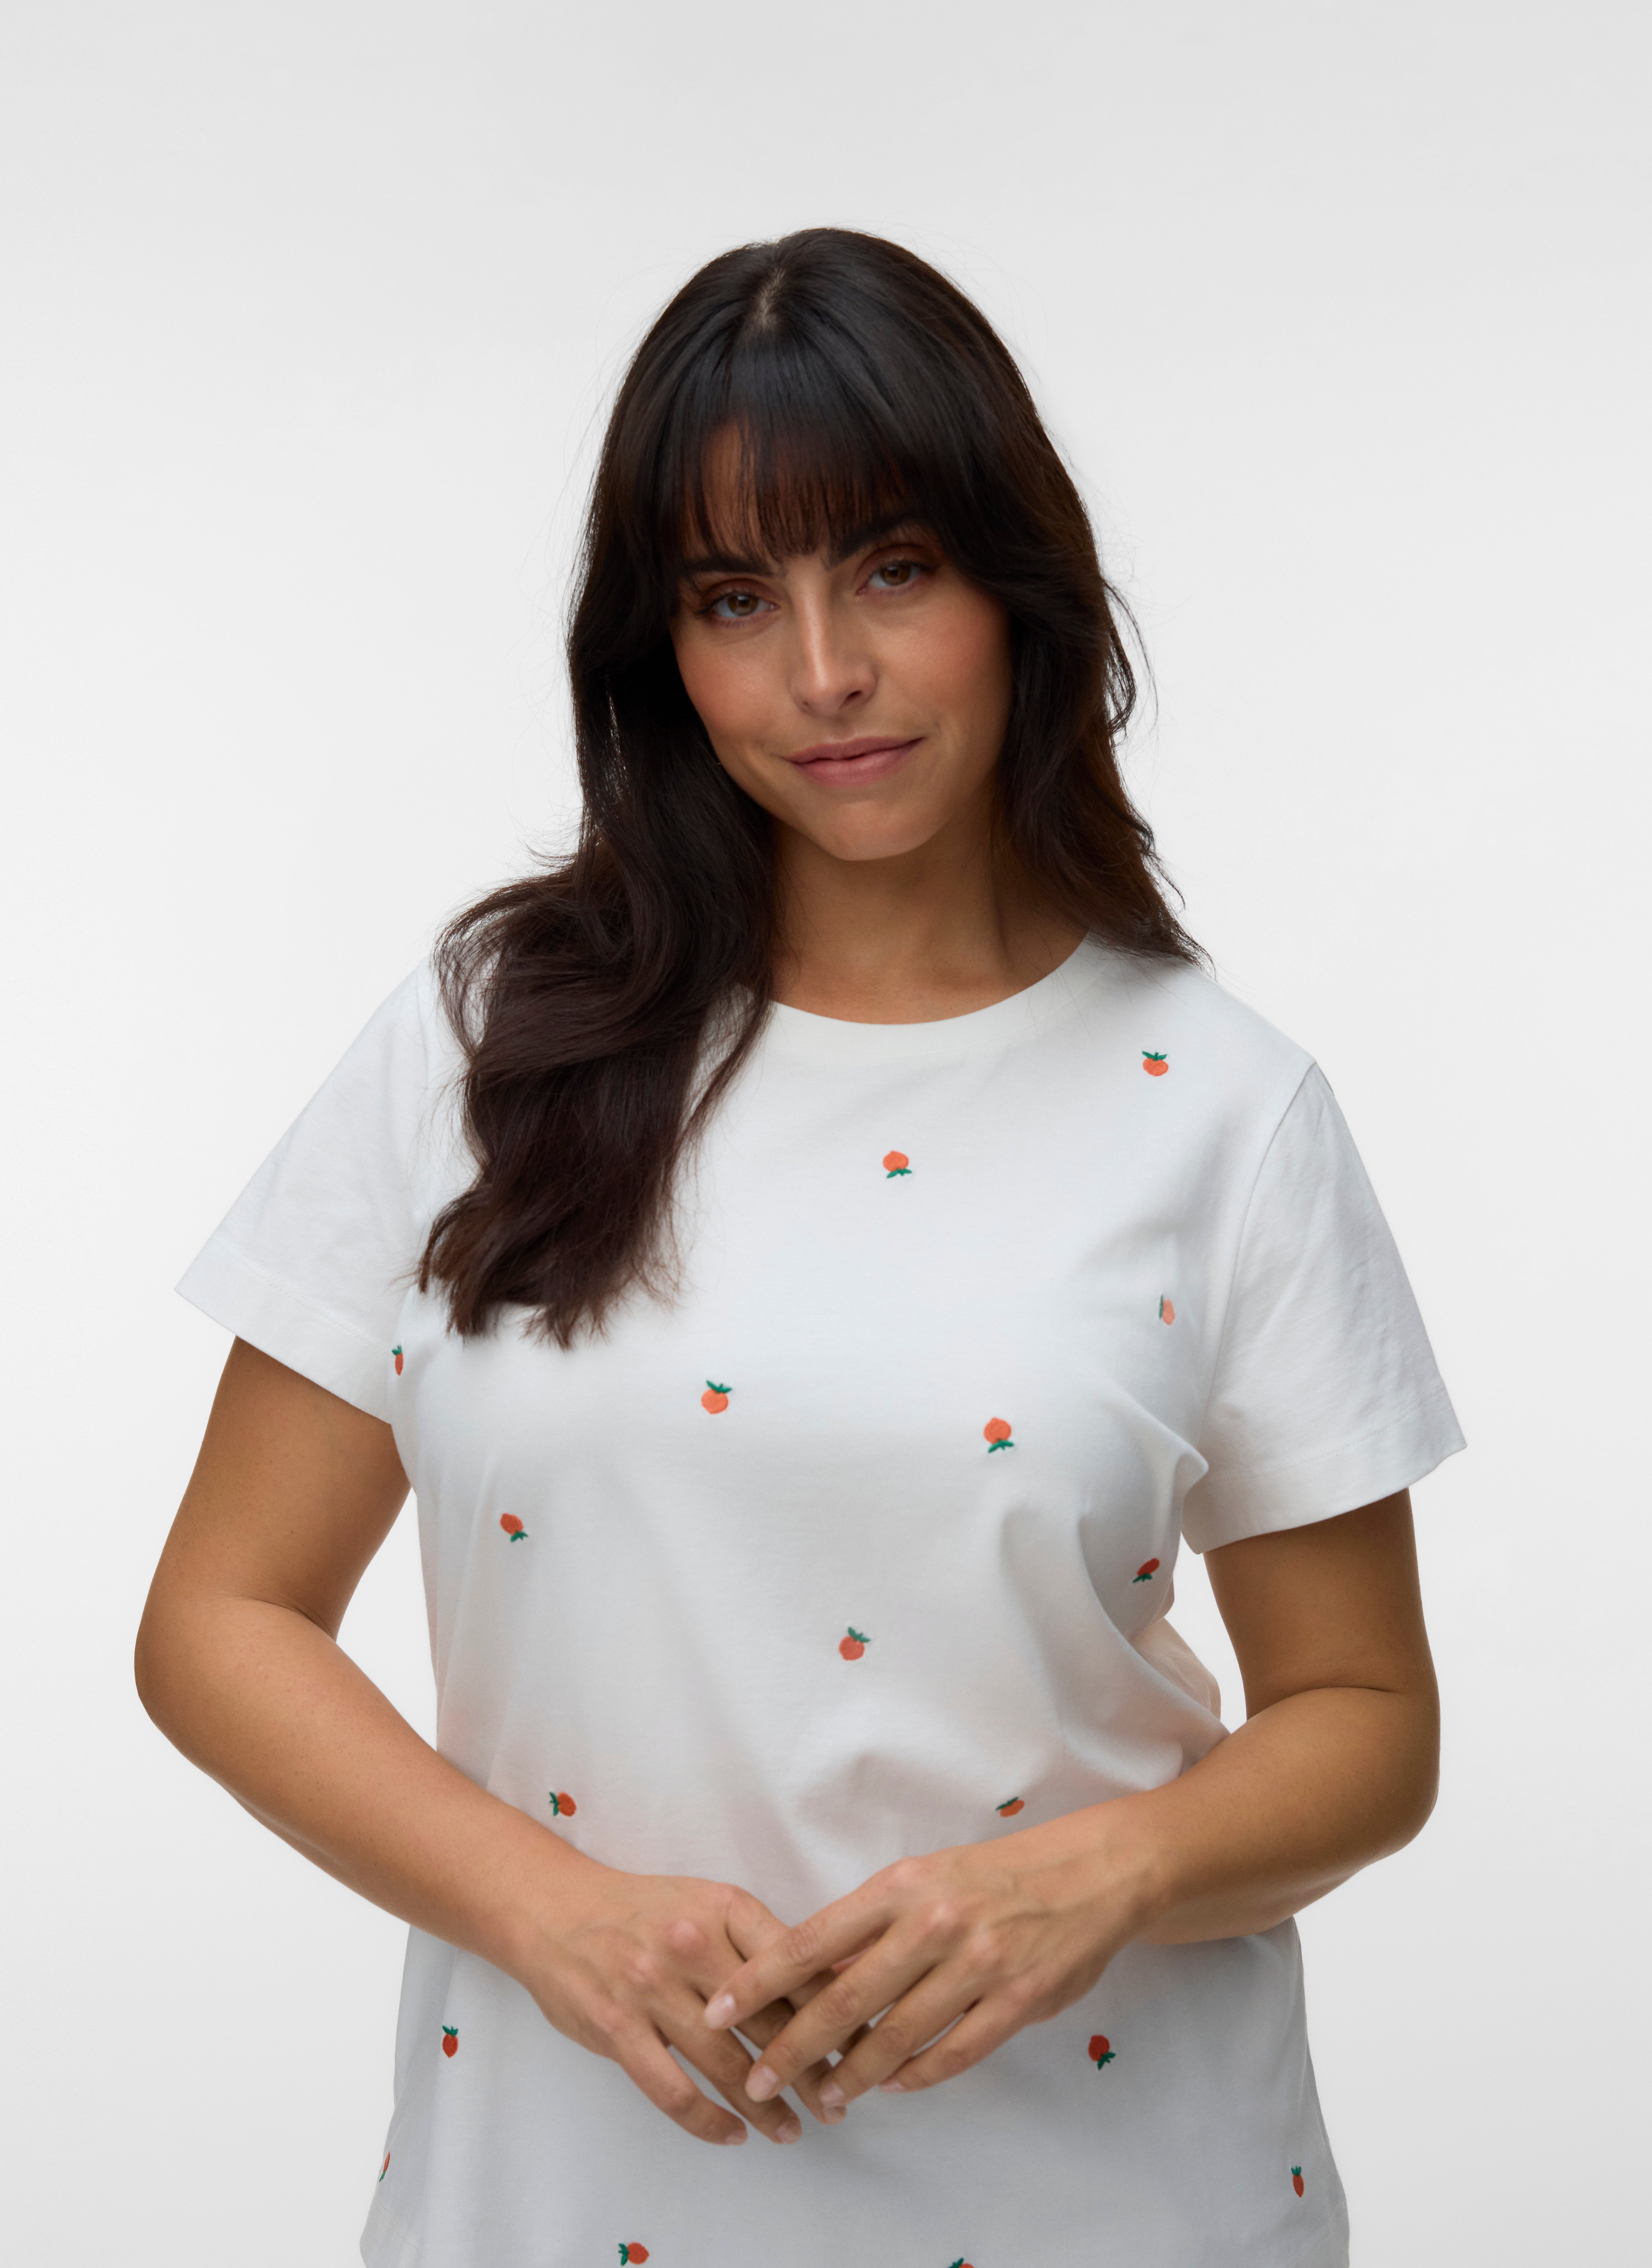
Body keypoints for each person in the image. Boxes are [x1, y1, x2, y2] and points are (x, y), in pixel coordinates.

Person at [137, 227, 1463, 2268]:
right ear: (657, 649)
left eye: (893, 570)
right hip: (559, 2197)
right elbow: (221, 1616)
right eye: (733, 598)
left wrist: (1091, 1875)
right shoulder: (483, 1045)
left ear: (1017, 587)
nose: (823, 673)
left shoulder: (1220, 1106)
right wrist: (548, 1911)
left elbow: (1365, 1714)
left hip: (1118, 2193)